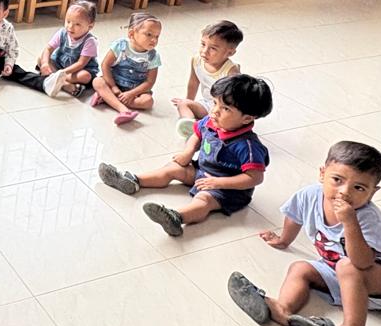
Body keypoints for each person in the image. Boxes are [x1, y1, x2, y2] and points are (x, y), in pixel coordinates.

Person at [227, 141, 381, 326]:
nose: (345, 192)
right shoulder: (309, 195)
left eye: (359, 188)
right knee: (300, 268)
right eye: (337, 180)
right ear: (322, 174)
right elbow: (295, 216)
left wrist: (350, 222)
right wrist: (283, 240)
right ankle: (282, 309)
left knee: (347, 266)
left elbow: (363, 263)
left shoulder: (368, 218)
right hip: (342, 274)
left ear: (372, 193)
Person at [99, 73, 273, 237]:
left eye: (225, 108)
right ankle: (132, 181)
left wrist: (218, 183)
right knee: (173, 168)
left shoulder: (248, 146)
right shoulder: (212, 121)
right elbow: (197, 135)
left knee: (204, 199)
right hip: (202, 171)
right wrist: (188, 152)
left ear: (247, 119)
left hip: (228, 190)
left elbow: (254, 178)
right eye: (214, 103)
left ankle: (176, 217)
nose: (215, 111)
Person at [172, 20, 242, 138]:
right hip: (207, 103)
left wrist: (221, 113)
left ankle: (206, 126)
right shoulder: (197, 61)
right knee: (182, 104)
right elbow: (193, 82)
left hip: (222, 108)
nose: (204, 51)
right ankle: (191, 124)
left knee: (224, 123)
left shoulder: (231, 71)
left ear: (230, 52)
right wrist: (189, 101)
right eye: (203, 44)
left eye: (213, 48)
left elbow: (234, 100)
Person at [91, 11, 163, 125]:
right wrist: (113, 87)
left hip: (136, 90)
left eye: (157, 36)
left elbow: (150, 82)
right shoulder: (120, 46)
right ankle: (123, 109)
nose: (154, 40)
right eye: (149, 35)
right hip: (114, 83)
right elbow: (105, 65)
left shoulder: (153, 56)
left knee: (148, 102)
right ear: (131, 33)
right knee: (97, 81)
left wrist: (131, 94)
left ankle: (107, 98)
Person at [35, 0, 100, 98]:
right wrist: (44, 64)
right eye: (68, 21)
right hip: (59, 66)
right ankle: (65, 85)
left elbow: (81, 63)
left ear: (90, 26)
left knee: (85, 76)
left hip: (76, 71)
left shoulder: (90, 41)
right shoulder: (62, 33)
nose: (70, 27)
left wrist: (63, 73)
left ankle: (53, 78)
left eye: (77, 24)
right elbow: (48, 49)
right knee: (41, 59)